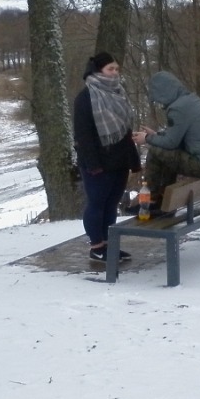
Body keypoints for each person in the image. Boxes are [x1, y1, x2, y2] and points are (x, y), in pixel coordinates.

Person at [72, 52, 146, 262]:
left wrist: (132, 159)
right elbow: (83, 136)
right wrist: (93, 165)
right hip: (97, 163)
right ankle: (97, 246)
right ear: (97, 71)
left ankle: (108, 245)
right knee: (97, 203)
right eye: (110, 69)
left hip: (119, 160)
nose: (115, 73)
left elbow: (125, 130)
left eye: (116, 69)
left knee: (112, 204)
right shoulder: (85, 98)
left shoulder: (119, 93)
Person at [141, 70, 200, 208]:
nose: (158, 102)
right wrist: (156, 135)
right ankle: (161, 200)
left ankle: (150, 201)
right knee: (165, 153)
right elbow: (178, 137)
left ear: (163, 92)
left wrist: (147, 138)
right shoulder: (190, 101)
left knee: (155, 151)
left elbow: (171, 143)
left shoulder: (178, 108)